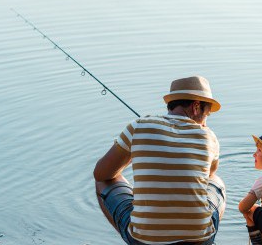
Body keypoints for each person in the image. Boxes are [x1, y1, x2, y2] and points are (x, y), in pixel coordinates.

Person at [94, 76, 226, 245]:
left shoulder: (139, 126)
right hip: (200, 240)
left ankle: (140, 231)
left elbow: (100, 173)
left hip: (144, 241)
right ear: (196, 107)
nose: (205, 121)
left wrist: (136, 153)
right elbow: (210, 175)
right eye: (206, 115)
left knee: (102, 181)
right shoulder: (209, 137)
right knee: (217, 181)